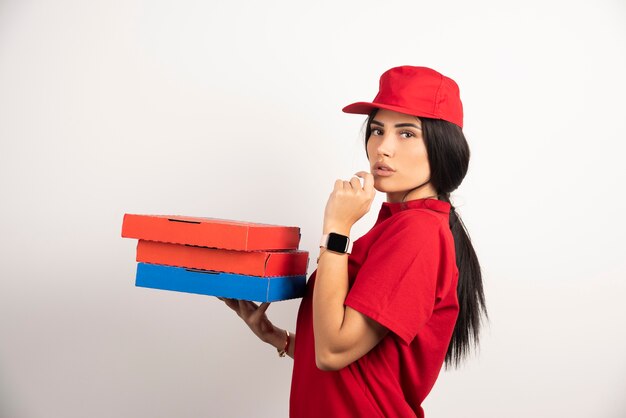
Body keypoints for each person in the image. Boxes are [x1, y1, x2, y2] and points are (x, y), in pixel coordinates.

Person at [218, 65, 488, 418]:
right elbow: (364, 367)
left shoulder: (418, 233)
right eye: (377, 130)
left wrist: (337, 228)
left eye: (406, 134)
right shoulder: (400, 226)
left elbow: (333, 352)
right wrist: (278, 338)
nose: (383, 148)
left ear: (443, 147)